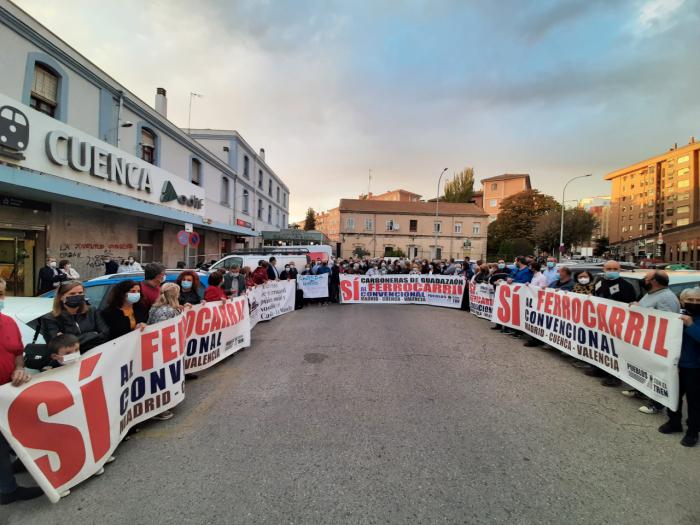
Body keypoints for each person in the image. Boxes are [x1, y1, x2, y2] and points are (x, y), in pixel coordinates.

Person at [0, 277, 44, 505]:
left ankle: (11, 472)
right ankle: (6, 491)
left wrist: (19, 368)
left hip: (8, 393)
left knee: (11, 435)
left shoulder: (8, 322)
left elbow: (17, 352)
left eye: (1, 294)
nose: (1, 299)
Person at [622, 271, 681, 413]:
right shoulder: (652, 293)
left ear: (654, 281)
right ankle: (642, 391)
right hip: (645, 340)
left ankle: (657, 404)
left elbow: (666, 321)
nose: (644, 281)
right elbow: (647, 310)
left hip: (658, 343)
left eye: (646, 278)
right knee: (644, 367)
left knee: (657, 372)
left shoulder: (667, 298)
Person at [659, 287, 700, 447]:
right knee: (673, 396)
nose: (694, 303)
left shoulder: (688, 320)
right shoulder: (677, 315)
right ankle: (674, 423)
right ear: (683, 301)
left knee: (694, 401)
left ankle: (693, 431)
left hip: (695, 368)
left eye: (698, 300)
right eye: (690, 300)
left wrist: (691, 325)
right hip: (674, 365)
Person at [585, 260, 637, 387]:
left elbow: (630, 305)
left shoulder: (626, 286)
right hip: (600, 322)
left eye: (615, 269)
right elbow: (597, 296)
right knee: (600, 346)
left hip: (616, 324)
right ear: (604, 269)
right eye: (609, 269)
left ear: (619, 270)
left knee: (615, 350)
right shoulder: (599, 282)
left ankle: (614, 376)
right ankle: (599, 368)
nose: (612, 271)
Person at [146, 282, 184, 421]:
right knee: (162, 378)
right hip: (163, 350)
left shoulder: (157, 308)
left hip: (159, 349)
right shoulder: (167, 311)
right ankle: (159, 408)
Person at [41, 280, 109, 353]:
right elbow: (58, 346)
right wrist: (92, 334)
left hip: (95, 353)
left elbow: (105, 334)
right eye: (72, 294)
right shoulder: (50, 318)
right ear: (61, 297)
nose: (77, 296)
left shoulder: (92, 311)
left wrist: (69, 339)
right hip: (70, 359)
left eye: (80, 293)